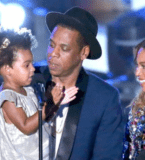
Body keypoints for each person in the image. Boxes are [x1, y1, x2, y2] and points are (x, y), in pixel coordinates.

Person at [31, 7, 124, 160]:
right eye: (52, 45)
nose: (53, 53)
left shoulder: (104, 98)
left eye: (64, 48)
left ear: (83, 53)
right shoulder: (28, 79)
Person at [0, 27, 77, 159]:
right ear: (7, 69)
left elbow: (39, 118)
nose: (33, 69)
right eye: (26, 65)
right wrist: (50, 105)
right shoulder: (7, 98)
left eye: (32, 64)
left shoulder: (28, 90)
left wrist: (57, 103)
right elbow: (26, 126)